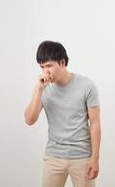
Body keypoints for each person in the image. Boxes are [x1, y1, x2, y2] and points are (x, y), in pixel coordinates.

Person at [24, 40, 101, 187]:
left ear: (62, 62)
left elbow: (95, 124)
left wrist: (95, 158)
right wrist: (39, 90)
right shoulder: (43, 88)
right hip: (53, 156)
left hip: (82, 156)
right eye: (42, 67)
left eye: (49, 66)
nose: (45, 71)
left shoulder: (87, 85)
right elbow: (29, 119)